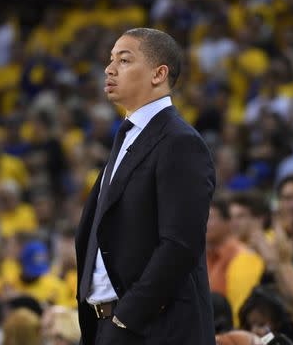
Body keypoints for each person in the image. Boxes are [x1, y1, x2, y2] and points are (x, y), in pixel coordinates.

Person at [75, 28, 216, 345]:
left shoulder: (180, 142)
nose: (110, 69)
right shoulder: (127, 136)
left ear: (158, 73)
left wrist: (126, 318)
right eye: (111, 60)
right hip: (106, 324)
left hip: (152, 329)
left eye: (124, 60)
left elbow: (180, 245)